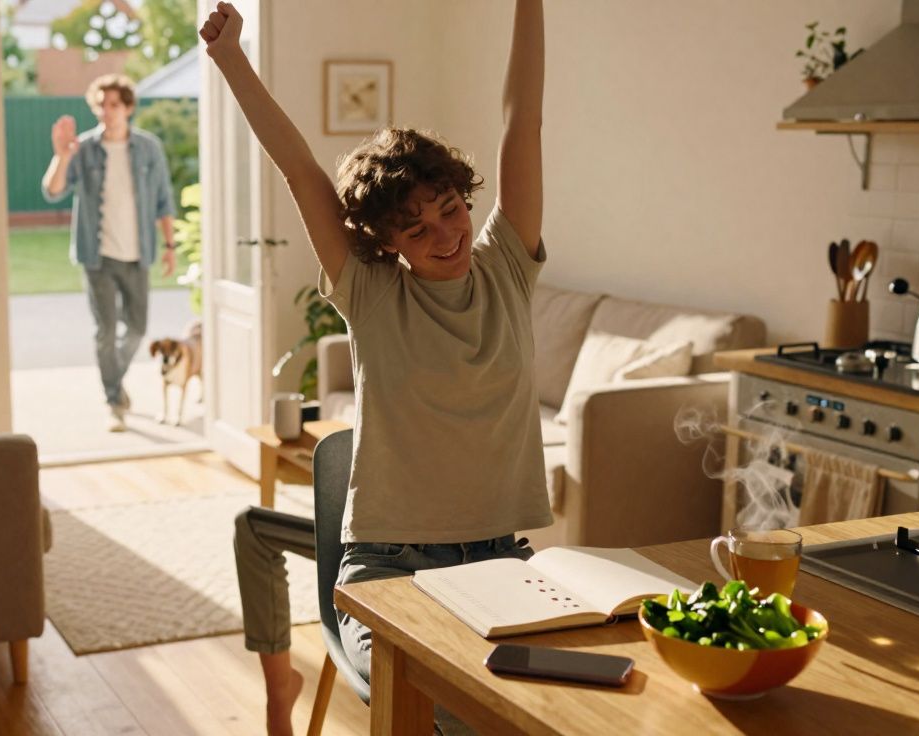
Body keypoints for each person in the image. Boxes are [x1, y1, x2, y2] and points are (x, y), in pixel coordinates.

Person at [206, 0, 548, 732]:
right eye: (416, 230)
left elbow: (523, 120)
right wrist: (232, 58)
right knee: (454, 714)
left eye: (449, 209)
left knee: (552, 709)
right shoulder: (370, 293)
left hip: (502, 561)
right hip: (391, 571)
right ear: (386, 243)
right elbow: (300, 171)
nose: (445, 235)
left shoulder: (508, 267)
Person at [42, 74, 178, 432]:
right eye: (101, 104)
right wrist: (61, 156)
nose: (106, 111)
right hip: (97, 256)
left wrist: (169, 246)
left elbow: (164, 201)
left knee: (136, 329)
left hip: (137, 254)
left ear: (128, 108)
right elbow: (52, 191)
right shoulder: (83, 149)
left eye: (114, 104)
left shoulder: (148, 148)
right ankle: (114, 401)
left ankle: (112, 383)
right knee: (104, 331)